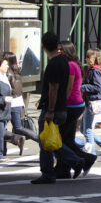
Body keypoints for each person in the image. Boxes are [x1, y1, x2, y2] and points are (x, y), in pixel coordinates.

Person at [33, 33, 87, 183]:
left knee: (46, 141)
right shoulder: (64, 62)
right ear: (57, 45)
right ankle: (74, 160)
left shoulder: (54, 64)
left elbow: (53, 89)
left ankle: (52, 171)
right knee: (52, 140)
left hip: (55, 108)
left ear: (43, 46)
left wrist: (50, 110)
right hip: (63, 106)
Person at [59, 40, 96, 177]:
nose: (58, 52)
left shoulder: (70, 65)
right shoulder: (75, 64)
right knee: (67, 138)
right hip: (76, 104)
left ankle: (84, 159)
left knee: (63, 139)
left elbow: (68, 87)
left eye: (61, 49)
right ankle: (65, 168)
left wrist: (61, 103)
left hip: (71, 104)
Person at [79, 48, 101, 161]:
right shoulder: (95, 69)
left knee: (87, 129)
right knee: (83, 129)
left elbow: (97, 87)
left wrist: (82, 87)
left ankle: (92, 154)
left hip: (92, 101)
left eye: (89, 57)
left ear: (96, 58)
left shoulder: (95, 71)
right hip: (90, 101)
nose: (86, 59)